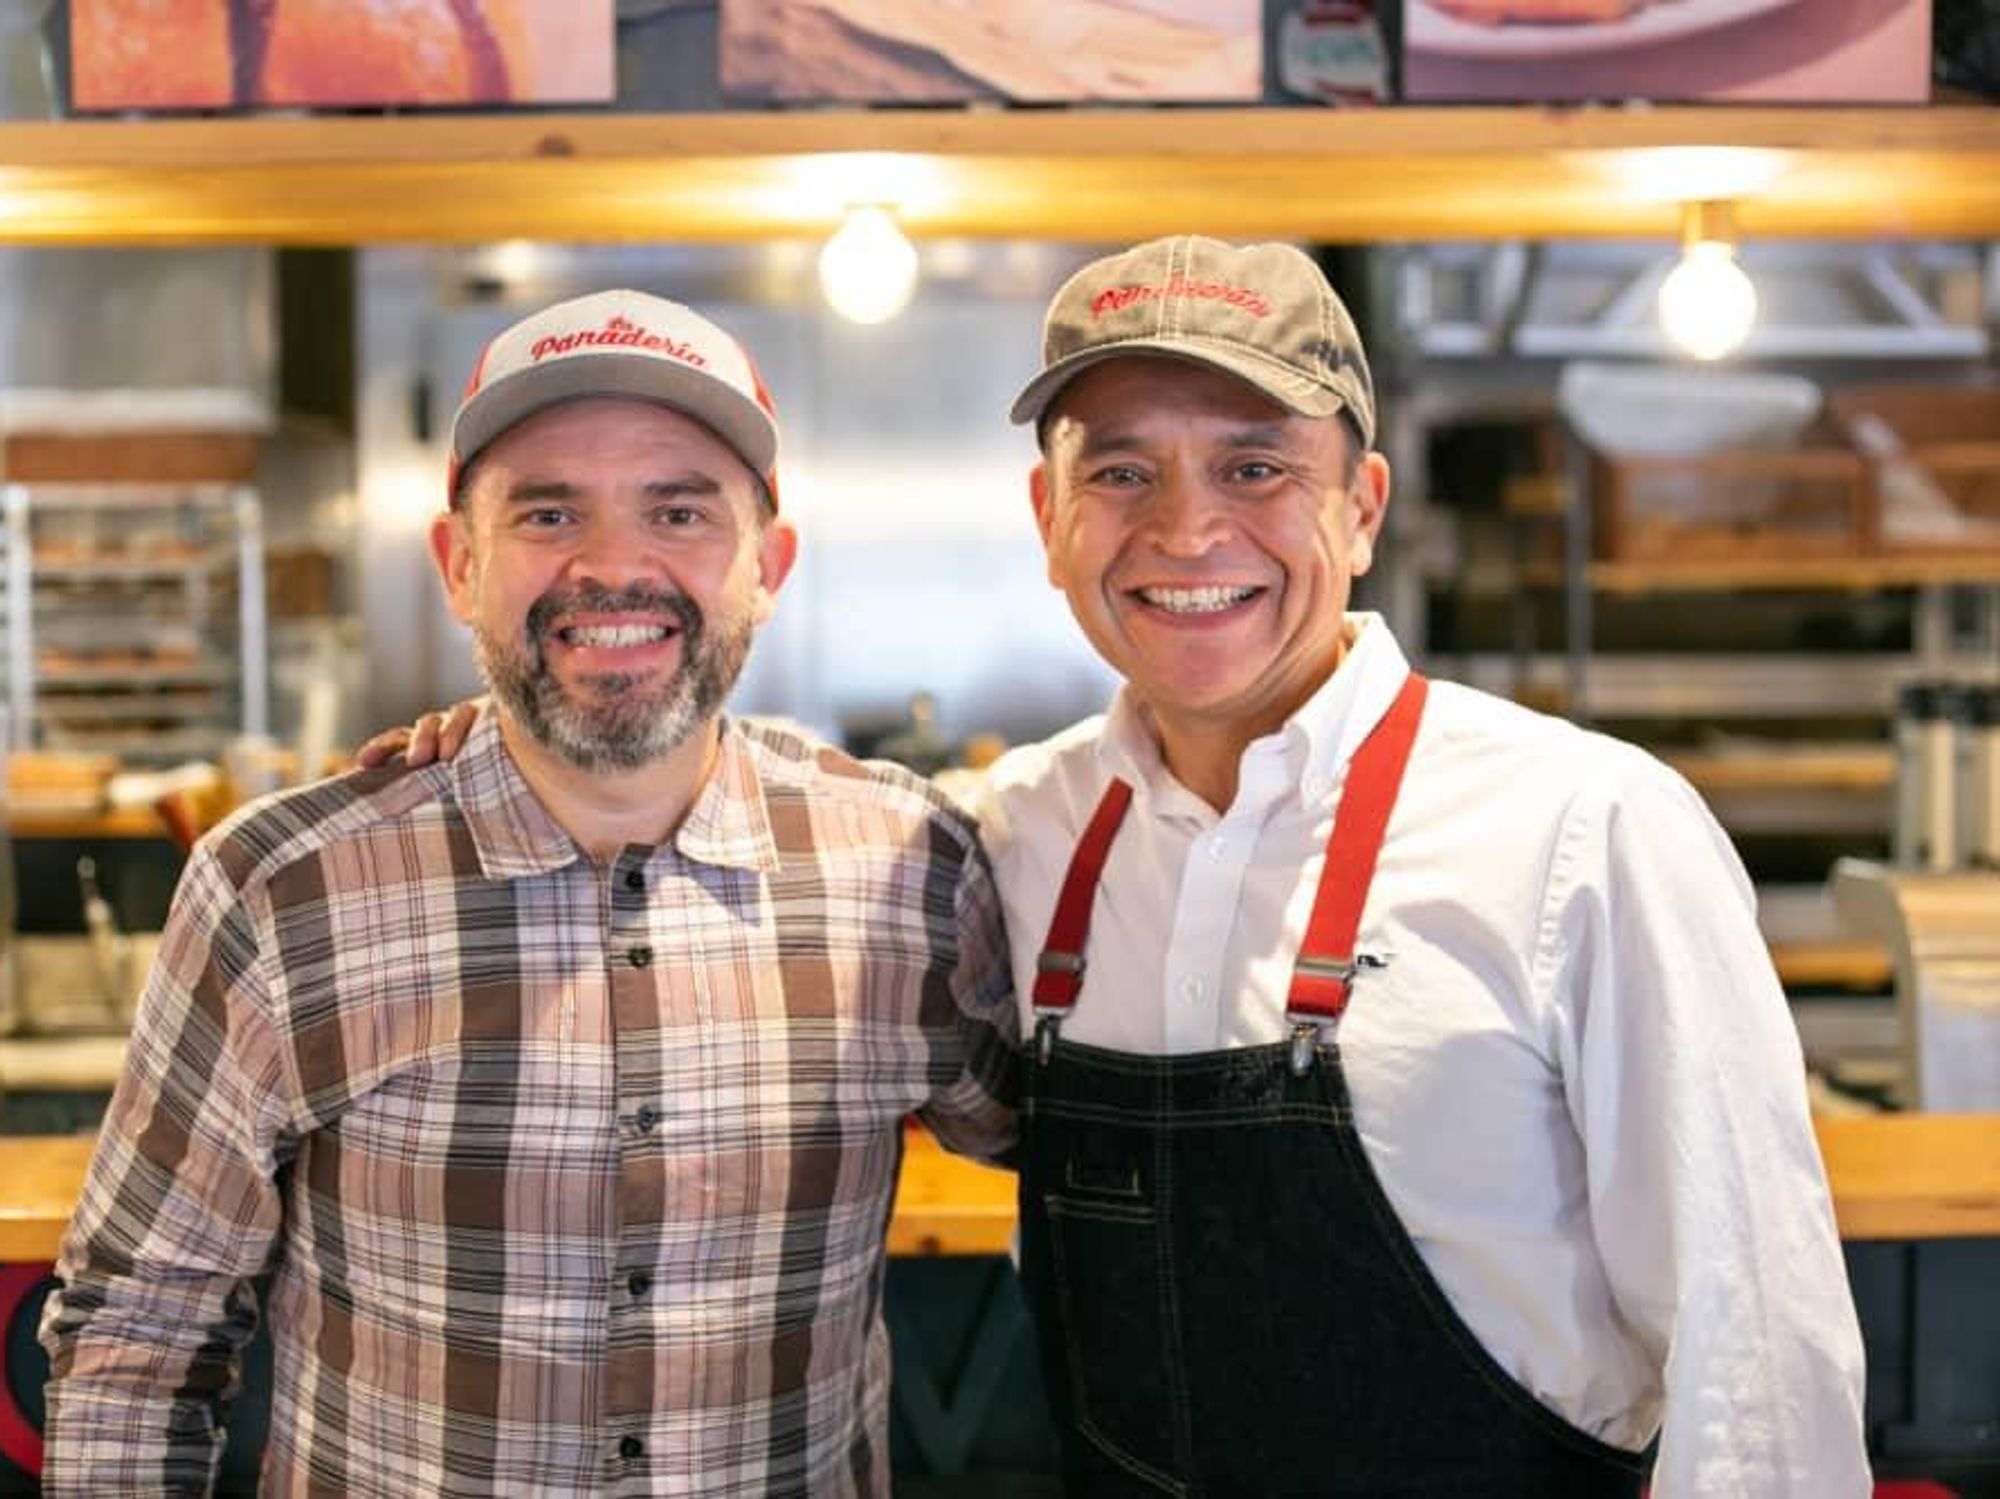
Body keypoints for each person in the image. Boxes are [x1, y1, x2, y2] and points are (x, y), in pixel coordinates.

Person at [379, 238, 1872, 1497]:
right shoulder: (1008, 834)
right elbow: (712, 796)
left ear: (1360, 509)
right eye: (1122, 472)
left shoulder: (1589, 830)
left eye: (1255, 464)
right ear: (1049, 518)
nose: (1186, 528)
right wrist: (508, 741)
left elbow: (1759, 1361)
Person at [39, 289, 1018, 1498]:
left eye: (679, 510)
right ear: (460, 564)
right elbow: (139, 1336)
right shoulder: (284, 888)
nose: (612, 565)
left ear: (767, 566)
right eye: (548, 511)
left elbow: (1073, 1148)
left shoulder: (909, 867)